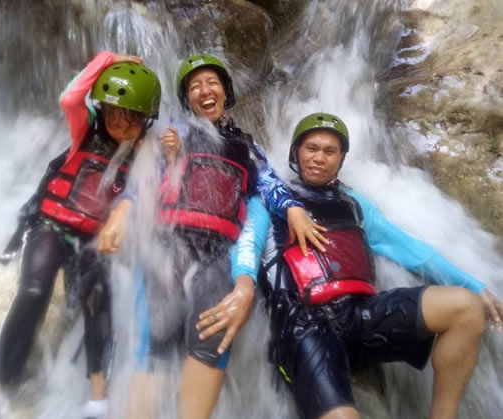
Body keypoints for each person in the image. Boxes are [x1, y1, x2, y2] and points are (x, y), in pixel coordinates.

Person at [98, 53, 315, 419]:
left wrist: (292, 207)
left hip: (219, 250)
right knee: (157, 338)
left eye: (212, 82)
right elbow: (144, 179)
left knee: (212, 335)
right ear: (188, 99)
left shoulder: (247, 146)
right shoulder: (173, 133)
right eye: (196, 85)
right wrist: (122, 211)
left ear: (225, 94)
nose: (205, 89)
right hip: (170, 241)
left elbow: (269, 184)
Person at [260, 112, 503, 419]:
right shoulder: (269, 201)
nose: (319, 158)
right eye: (311, 148)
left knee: (466, 308)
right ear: (295, 152)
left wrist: (474, 285)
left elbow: (412, 251)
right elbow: (244, 248)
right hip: (305, 326)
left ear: (341, 159)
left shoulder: (354, 204)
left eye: (330, 151)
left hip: (360, 314)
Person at [0, 51, 161, 419]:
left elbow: (154, 192)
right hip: (51, 226)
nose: (119, 129)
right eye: (113, 118)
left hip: (93, 240)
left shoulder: (144, 152)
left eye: (130, 122)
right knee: (34, 291)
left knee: (98, 299)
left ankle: (97, 401)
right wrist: (108, 59)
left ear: (144, 121)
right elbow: (70, 98)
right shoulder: (83, 130)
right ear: (102, 114)